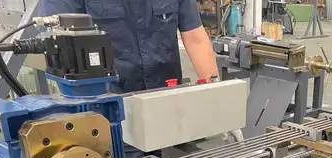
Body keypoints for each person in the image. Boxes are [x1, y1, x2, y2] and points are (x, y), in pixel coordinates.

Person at [40, 0, 219, 93]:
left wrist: (217, 96)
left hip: (168, 103)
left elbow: (195, 38)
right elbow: (61, 49)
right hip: (109, 110)